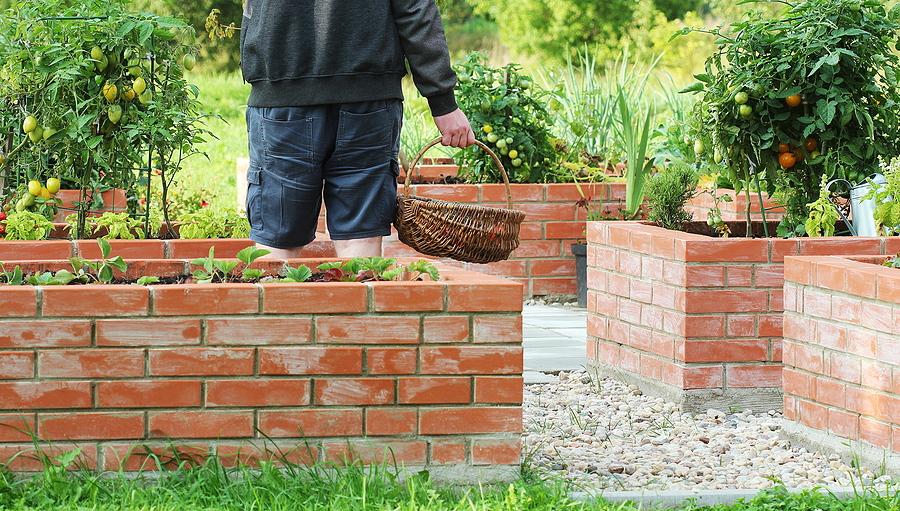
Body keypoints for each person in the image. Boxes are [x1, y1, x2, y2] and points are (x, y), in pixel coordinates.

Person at [239, 0, 476, 258]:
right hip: (368, 101)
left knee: (279, 239)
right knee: (359, 237)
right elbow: (415, 10)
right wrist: (442, 102)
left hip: (282, 95)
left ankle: (275, 285)